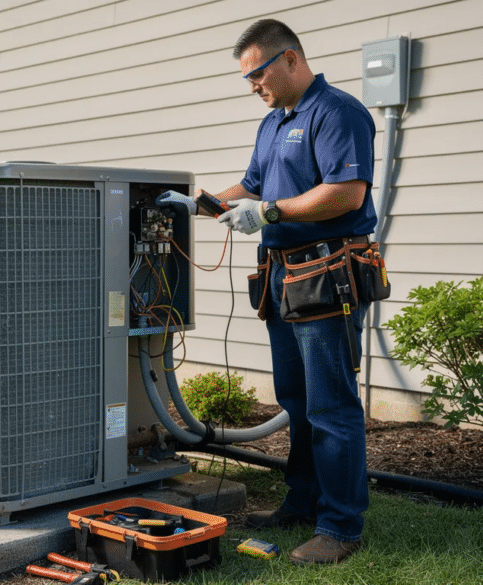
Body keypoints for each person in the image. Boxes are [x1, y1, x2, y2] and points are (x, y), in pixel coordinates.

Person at [158, 19, 377, 565]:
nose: (252, 85)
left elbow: (346, 193)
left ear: (291, 60)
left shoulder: (337, 112)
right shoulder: (275, 122)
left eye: (257, 73)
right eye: (246, 78)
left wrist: (271, 211)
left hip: (327, 274)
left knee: (331, 403)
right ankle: (303, 501)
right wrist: (197, 203)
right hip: (282, 276)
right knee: (297, 400)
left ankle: (341, 526)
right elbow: (252, 188)